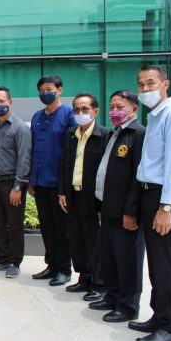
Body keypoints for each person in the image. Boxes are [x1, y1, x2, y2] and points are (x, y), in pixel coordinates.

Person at [129, 65, 171, 341]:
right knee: (155, 261)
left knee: (165, 263)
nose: (145, 89)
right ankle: (159, 316)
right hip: (149, 195)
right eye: (141, 84)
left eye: (150, 83)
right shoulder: (155, 117)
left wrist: (165, 207)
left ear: (165, 85)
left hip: (163, 198)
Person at [91, 90, 145, 323]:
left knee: (128, 260)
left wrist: (131, 211)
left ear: (134, 109)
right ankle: (112, 296)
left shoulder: (139, 134)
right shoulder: (114, 133)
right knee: (110, 257)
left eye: (120, 107)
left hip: (125, 212)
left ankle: (128, 306)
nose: (114, 111)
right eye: (112, 107)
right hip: (108, 207)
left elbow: (138, 177)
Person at [58, 93, 109, 300]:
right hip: (73, 194)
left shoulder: (104, 135)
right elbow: (64, 164)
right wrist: (62, 191)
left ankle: (99, 283)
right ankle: (84, 277)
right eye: (77, 109)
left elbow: (106, 171)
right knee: (77, 238)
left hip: (93, 197)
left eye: (84, 109)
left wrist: (103, 201)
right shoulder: (71, 134)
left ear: (95, 111)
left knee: (95, 240)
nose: (80, 113)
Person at [29, 75, 76, 286]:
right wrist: (31, 178)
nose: (45, 93)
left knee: (62, 228)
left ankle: (64, 269)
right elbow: (33, 149)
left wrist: (65, 186)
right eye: (41, 90)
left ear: (60, 90)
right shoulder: (37, 116)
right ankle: (51, 265)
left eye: (49, 89)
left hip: (59, 183)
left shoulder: (69, 114)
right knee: (47, 227)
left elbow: (72, 151)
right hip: (40, 181)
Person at [0, 86, 31, 278]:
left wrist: (18, 186)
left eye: (1, 101)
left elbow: (24, 159)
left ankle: (14, 262)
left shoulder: (20, 127)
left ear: (10, 102)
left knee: (14, 225)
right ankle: (2, 258)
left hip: (12, 184)